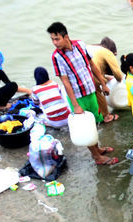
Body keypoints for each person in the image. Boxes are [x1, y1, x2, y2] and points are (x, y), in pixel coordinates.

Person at [47, 22, 119, 165]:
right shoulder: (57, 57)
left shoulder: (80, 45)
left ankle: (97, 149)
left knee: (94, 122)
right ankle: (97, 157)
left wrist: (103, 84)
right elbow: (65, 81)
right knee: (86, 127)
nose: (55, 43)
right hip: (77, 97)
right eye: (52, 40)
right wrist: (75, 105)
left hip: (90, 90)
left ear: (65, 36)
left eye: (57, 39)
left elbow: (92, 65)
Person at [88, 37, 122, 122]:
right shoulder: (107, 52)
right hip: (91, 77)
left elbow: (96, 67)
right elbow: (118, 76)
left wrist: (105, 78)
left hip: (79, 75)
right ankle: (107, 116)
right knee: (99, 91)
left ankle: (92, 115)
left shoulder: (90, 47)